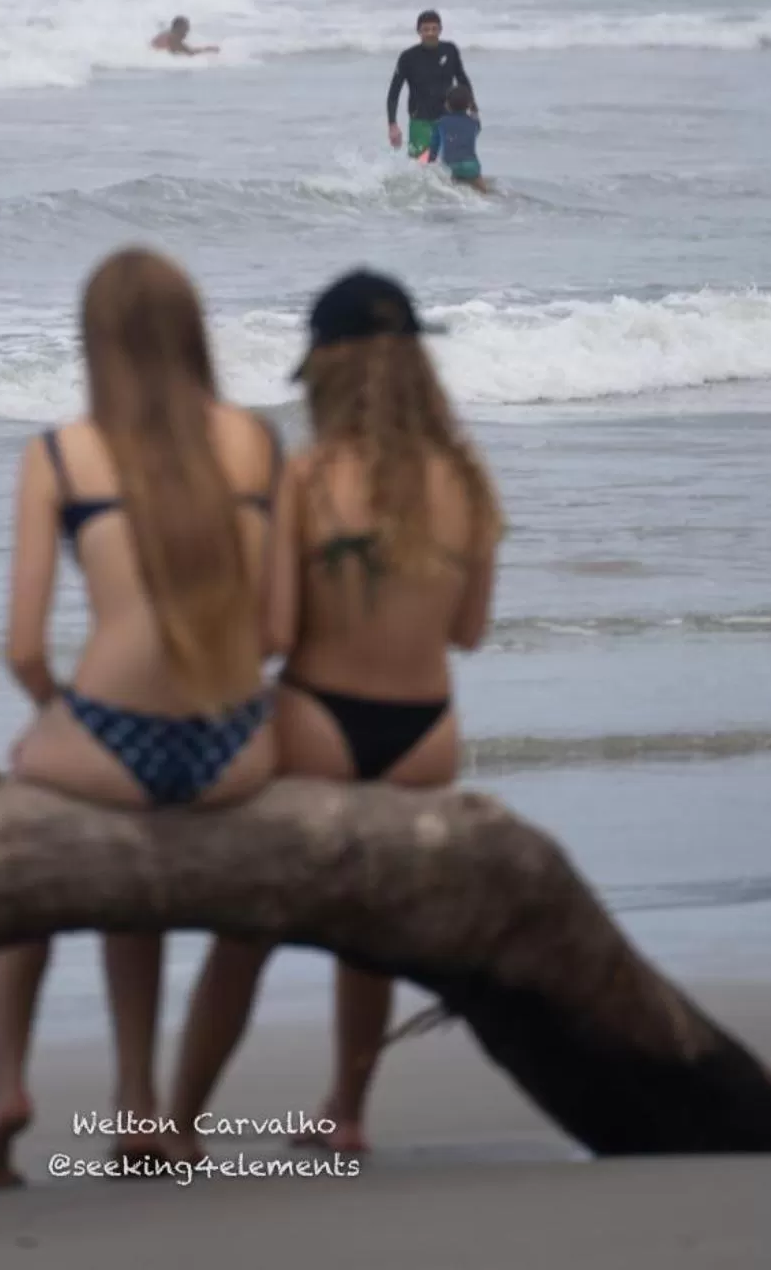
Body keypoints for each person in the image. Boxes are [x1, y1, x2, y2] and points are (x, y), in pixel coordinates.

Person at [0, 247, 280, 1188]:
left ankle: (8, 1089)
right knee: (138, 873)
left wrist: (63, 721)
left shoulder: (59, 453)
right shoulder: (258, 444)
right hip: (231, 745)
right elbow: (279, 628)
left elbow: (22, 647)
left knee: (22, 850)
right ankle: (152, 1110)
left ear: (93, 340)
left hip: (109, 740)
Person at [168, 268, 503, 1157]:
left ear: (326, 370)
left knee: (246, 930)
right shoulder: (466, 482)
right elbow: (468, 632)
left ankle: (177, 1124)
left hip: (320, 719)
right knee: (370, 934)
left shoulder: (306, 478)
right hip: (427, 732)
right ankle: (346, 1114)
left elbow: (274, 631)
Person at [386, 11, 477, 163]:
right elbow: (394, 92)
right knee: (421, 165)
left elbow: (462, 79)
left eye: (434, 29)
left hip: (448, 118)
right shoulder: (408, 57)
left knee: (452, 162)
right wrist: (392, 124)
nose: (430, 33)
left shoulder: (450, 50)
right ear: (419, 31)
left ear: (440, 29)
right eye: (426, 29)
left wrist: (473, 108)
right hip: (420, 119)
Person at [434, 83, 487, 191]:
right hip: (471, 167)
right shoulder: (473, 123)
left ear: (447, 104)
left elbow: (434, 148)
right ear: (468, 104)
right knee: (483, 192)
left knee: (451, 192)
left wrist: (430, 165)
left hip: (450, 166)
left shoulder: (440, 123)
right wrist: (474, 109)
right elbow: (477, 128)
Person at [152, 15, 219, 56]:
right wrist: (208, 49)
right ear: (178, 29)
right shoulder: (173, 38)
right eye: (185, 29)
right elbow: (190, 53)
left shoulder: (169, 34)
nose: (187, 32)